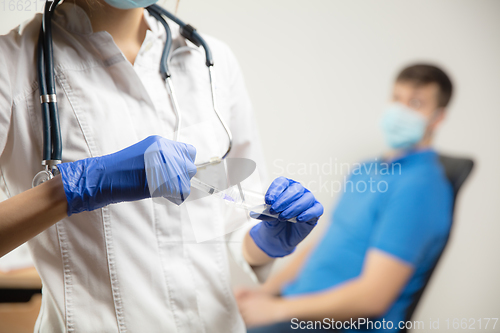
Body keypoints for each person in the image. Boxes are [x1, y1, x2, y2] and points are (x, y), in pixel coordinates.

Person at [0, 0, 323, 331]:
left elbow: (230, 219)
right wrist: (75, 187)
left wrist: (264, 239)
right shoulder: (10, 65)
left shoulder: (211, 61)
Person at [236, 64, 454, 332]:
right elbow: (324, 244)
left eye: (416, 103)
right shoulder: (365, 170)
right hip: (295, 310)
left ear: (438, 117)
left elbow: (373, 298)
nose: (401, 111)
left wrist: (276, 310)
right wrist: (266, 292)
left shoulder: (421, 188)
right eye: (397, 99)